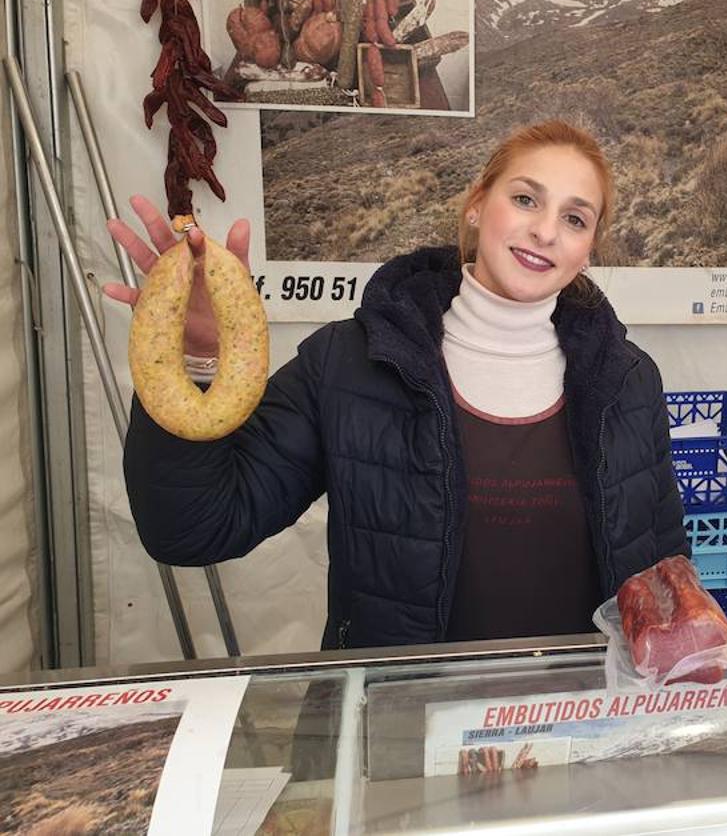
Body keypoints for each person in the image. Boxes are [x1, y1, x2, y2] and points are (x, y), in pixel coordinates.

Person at [106, 119, 688, 651]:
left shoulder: (627, 380)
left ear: (588, 249)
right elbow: (194, 527)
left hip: (583, 718)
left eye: (574, 219)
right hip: (398, 721)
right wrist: (193, 356)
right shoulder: (348, 364)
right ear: (477, 206)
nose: (544, 231)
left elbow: (667, 578)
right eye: (525, 199)